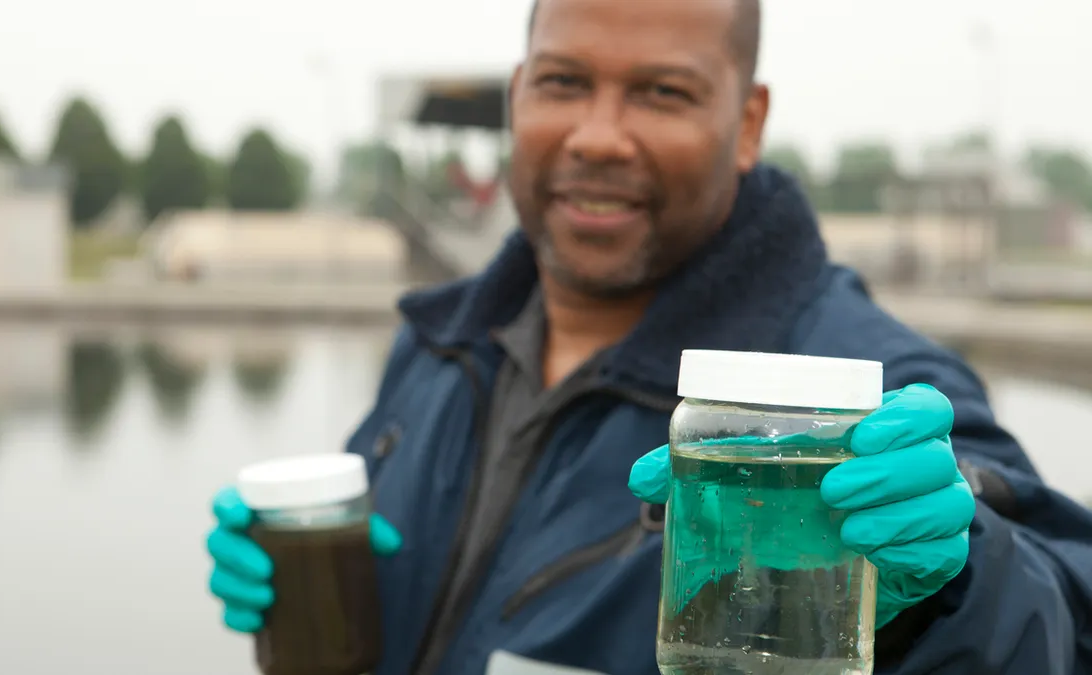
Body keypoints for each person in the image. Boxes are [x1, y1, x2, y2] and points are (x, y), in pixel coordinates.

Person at [205, 0, 1092, 672]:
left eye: (661, 93)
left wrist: (954, 591)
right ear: (519, 96)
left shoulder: (855, 386)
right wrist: (320, 577)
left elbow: (1063, 611)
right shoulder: (439, 343)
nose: (598, 136)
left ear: (746, 124)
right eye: (563, 82)